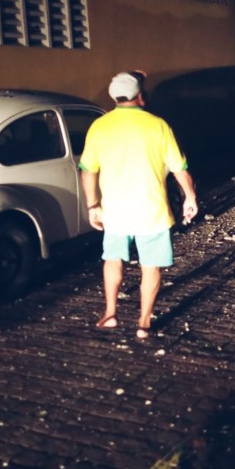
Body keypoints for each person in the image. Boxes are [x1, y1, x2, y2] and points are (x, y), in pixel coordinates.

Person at [79, 70, 198, 339]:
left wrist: (92, 205)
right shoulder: (158, 125)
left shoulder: (100, 126)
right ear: (140, 96)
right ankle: (143, 323)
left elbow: (87, 170)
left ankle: (110, 314)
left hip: (115, 211)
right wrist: (189, 197)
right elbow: (180, 168)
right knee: (150, 266)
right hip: (151, 210)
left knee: (112, 260)